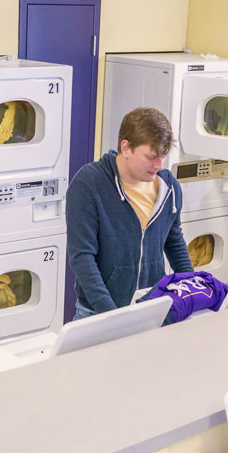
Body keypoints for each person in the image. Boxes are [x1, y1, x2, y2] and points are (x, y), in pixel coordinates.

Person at [66, 107, 193, 320]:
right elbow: (82, 258)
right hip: (97, 313)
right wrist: (111, 315)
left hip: (151, 307)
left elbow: (174, 241)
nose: (159, 165)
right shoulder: (89, 184)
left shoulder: (168, 186)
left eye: (162, 157)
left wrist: (193, 288)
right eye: (152, 157)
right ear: (126, 148)